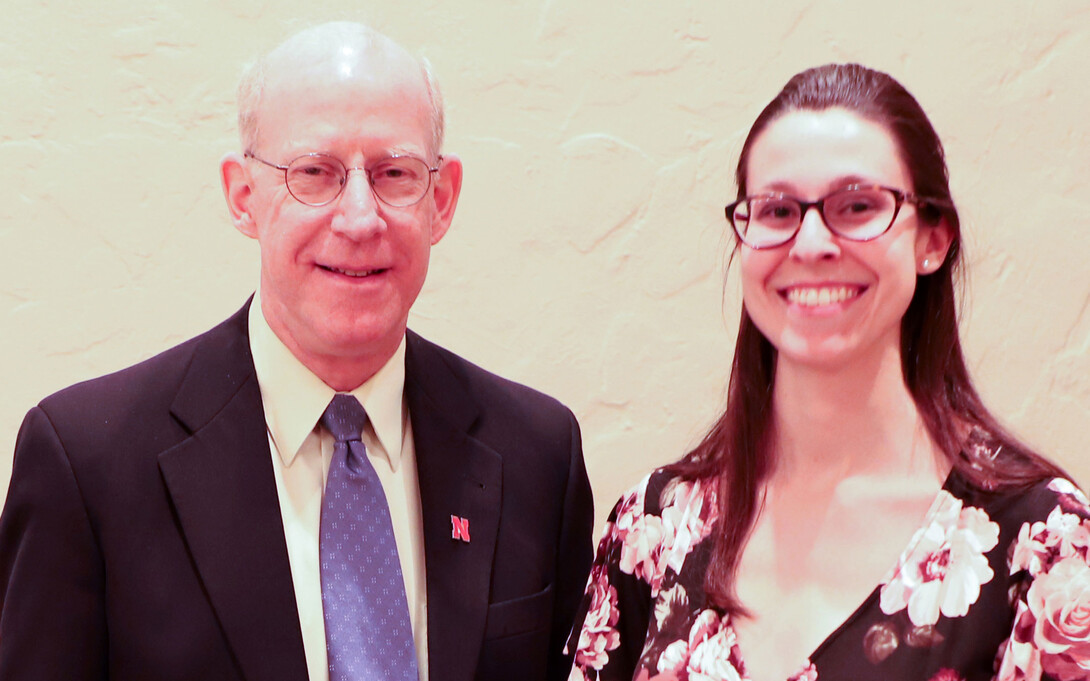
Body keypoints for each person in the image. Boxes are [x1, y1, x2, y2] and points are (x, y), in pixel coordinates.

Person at [0, 22, 593, 681]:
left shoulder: (539, 456)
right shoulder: (88, 465)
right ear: (242, 195)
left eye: (395, 174)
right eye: (316, 173)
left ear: (441, 200)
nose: (361, 218)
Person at [565, 63, 1090, 681]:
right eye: (779, 211)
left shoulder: (1041, 547)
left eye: (858, 205)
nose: (811, 243)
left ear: (933, 238)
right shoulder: (654, 530)